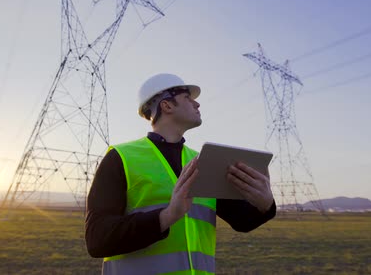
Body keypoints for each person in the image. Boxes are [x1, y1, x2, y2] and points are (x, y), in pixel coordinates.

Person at [85, 73, 276, 274]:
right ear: (166, 105)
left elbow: (242, 221)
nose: (197, 104)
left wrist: (265, 205)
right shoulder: (121, 158)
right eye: (188, 97)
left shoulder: (204, 163)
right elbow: (97, 239)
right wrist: (166, 216)